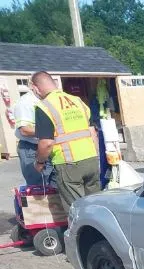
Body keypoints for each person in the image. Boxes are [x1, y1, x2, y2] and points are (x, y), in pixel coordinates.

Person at [30, 71, 101, 212]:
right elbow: (92, 132)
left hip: (69, 163)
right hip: (91, 160)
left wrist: (39, 162)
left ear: (36, 88)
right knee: (95, 206)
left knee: (76, 210)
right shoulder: (78, 101)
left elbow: (47, 143)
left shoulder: (44, 107)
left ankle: (80, 234)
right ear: (54, 83)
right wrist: (96, 156)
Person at [12, 82, 55, 187]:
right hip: (32, 148)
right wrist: (52, 130)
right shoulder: (26, 102)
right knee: (39, 187)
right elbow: (25, 130)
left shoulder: (48, 100)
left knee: (54, 186)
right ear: (35, 87)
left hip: (49, 146)